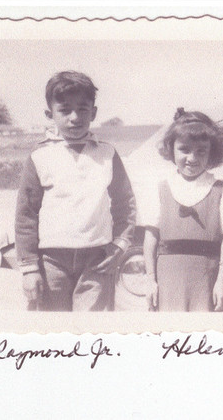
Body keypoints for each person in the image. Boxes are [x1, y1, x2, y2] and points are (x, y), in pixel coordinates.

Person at [15, 71, 136, 311]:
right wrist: (29, 268)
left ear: (94, 112)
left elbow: (126, 203)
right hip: (50, 261)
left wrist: (120, 244)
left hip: (97, 259)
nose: (74, 117)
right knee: (54, 332)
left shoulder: (107, 154)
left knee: (91, 331)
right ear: (50, 115)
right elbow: (26, 214)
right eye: (65, 110)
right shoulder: (40, 156)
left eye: (82, 109)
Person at [142, 108, 223, 312]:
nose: (192, 158)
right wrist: (150, 280)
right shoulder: (160, 189)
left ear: (212, 152)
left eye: (201, 151)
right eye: (184, 149)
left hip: (206, 280)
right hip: (168, 280)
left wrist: (222, 281)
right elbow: (150, 239)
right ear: (171, 149)